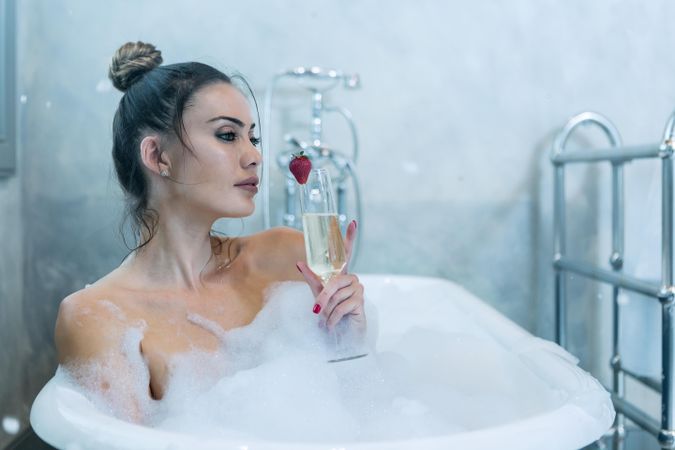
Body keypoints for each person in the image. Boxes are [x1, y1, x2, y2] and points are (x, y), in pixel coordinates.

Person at [54, 41, 366, 422]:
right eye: (227, 135)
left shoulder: (287, 257)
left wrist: (347, 337)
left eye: (253, 137)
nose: (255, 156)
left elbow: (359, 415)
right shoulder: (99, 318)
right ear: (157, 156)